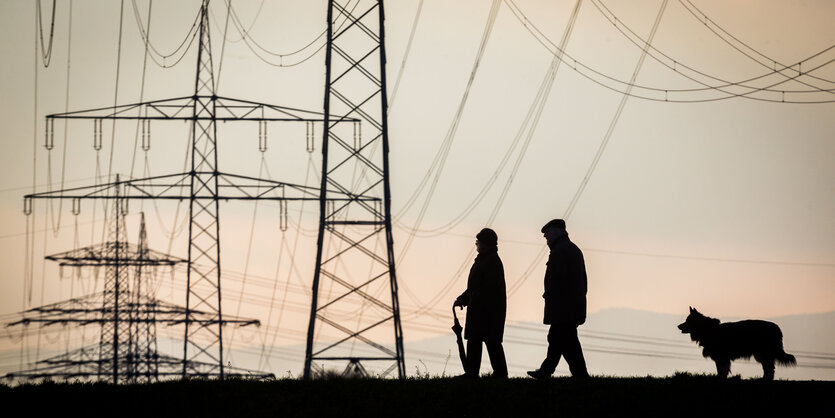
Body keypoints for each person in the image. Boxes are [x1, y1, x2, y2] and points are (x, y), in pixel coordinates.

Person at [527, 219, 590, 379]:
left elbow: (557, 279)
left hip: (563, 307)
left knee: (560, 339)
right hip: (571, 305)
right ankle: (550, 371)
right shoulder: (571, 249)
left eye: (547, 233)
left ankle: (574, 374)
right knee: (562, 340)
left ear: (556, 232)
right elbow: (583, 281)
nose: (545, 237)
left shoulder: (560, 251)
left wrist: (550, 295)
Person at [453, 228, 508, 378]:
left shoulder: (490, 262)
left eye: (478, 242)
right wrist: (464, 298)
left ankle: (496, 374)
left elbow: (483, 288)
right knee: (478, 341)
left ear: (485, 244)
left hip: (486, 310)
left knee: (490, 342)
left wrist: (469, 299)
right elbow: (475, 287)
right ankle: (475, 372)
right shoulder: (487, 260)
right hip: (482, 309)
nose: (476, 245)